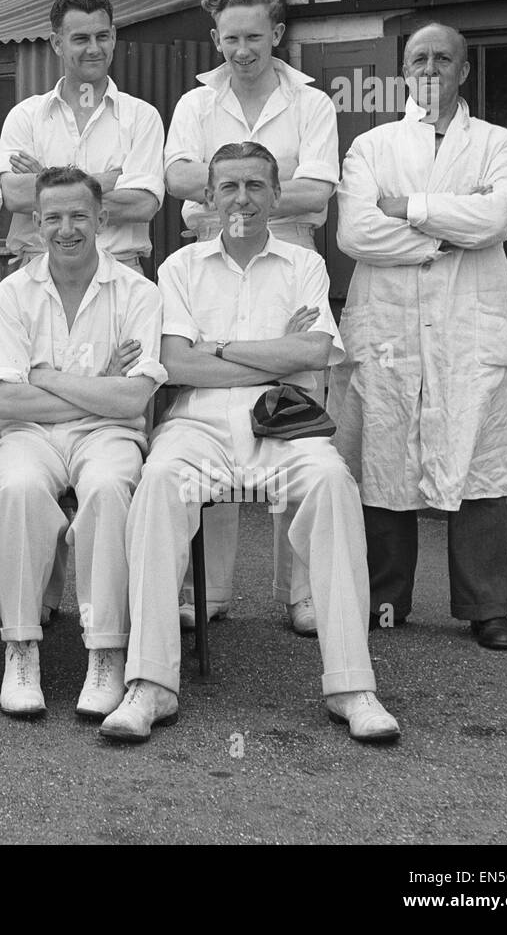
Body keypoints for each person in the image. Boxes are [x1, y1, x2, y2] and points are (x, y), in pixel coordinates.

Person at [102, 142, 400, 744]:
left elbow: (313, 352)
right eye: (229, 186)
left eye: (256, 186)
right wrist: (268, 357)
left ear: (276, 196)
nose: (242, 198)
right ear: (208, 198)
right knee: (158, 481)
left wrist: (217, 349)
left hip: (285, 424)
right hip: (198, 424)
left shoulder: (303, 267)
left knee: (333, 482)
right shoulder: (179, 268)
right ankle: (151, 683)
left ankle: (352, 684)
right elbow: (178, 366)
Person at [328, 23, 507, 650]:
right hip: (390, 320)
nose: (431, 67)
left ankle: (486, 608)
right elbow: (356, 236)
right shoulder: (371, 146)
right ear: (402, 70)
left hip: (469, 324)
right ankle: (386, 599)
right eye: (418, 57)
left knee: (475, 454)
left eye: (443, 58)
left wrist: (410, 208)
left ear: (464, 70)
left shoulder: (499, 143)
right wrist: (453, 226)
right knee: (385, 449)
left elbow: (498, 218)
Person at [164, 0, 339, 638]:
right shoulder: (195, 102)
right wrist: (263, 189)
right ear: (217, 39)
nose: (243, 50)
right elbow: (172, 177)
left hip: (290, 269)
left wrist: (224, 190)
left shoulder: (310, 101)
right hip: (210, 266)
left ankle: (305, 594)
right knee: (214, 417)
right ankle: (208, 592)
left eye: (254, 36)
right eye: (230, 38)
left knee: (297, 422)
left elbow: (322, 190)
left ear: (276, 32)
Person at [0, 166, 164, 720]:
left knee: (110, 488)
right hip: (29, 434)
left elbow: (132, 402)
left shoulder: (138, 291)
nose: (67, 229)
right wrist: (99, 387)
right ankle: (20, 648)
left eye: (79, 216)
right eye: (54, 217)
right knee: (16, 489)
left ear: (102, 219)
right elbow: (8, 402)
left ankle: (107, 650)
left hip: (108, 435)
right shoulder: (13, 292)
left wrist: (47, 376)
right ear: (36, 223)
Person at [0, 0, 165, 274]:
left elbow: (143, 204)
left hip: (120, 272)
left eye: (102, 37)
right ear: (57, 43)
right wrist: (110, 181)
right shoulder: (24, 116)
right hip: (38, 270)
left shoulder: (142, 116)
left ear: (113, 37)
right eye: (80, 39)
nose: (94, 49)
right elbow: (14, 196)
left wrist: (46, 182)